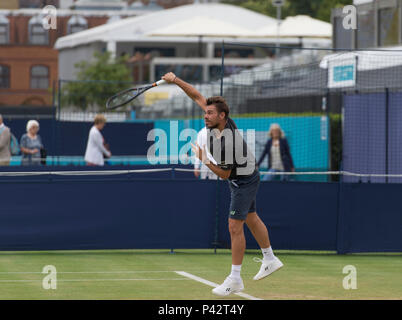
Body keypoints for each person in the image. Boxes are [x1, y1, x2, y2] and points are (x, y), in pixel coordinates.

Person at [162, 72, 283, 297]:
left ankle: (235, 279)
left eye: (209, 114)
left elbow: (225, 175)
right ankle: (270, 258)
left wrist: (204, 160)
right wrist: (176, 80)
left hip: (243, 180)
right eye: (205, 112)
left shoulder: (227, 142)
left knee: (234, 226)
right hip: (246, 175)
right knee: (251, 218)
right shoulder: (217, 120)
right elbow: (196, 95)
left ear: (222, 116)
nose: (205, 116)